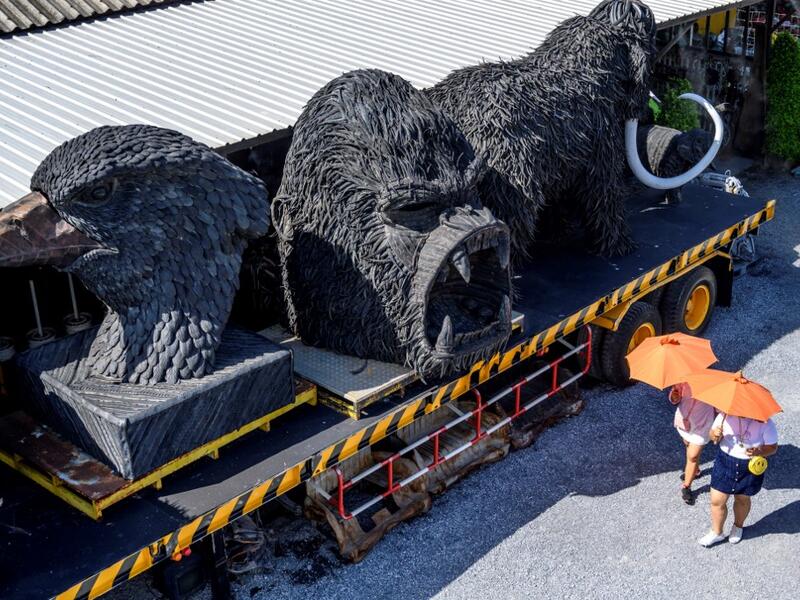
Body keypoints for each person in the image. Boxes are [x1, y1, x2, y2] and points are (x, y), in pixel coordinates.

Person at [698, 412, 779, 547]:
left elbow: (772, 447)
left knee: (742, 499)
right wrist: (715, 435)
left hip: (749, 466)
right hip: (725, 461)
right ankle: (717, 532)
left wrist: (759, 451)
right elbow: (712, 435)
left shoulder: (765, 423)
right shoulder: (724, 416)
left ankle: (738, 526)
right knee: (717, 500)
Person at [669, 383, 716, 505]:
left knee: (693, 456)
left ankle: (686, 486)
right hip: (684, 422)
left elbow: (719, 406)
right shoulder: (683, 381)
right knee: (687, 444)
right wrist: (674, 396)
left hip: (702, 426)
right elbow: (675, 399)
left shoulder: (714, 385)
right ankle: (695, 470)